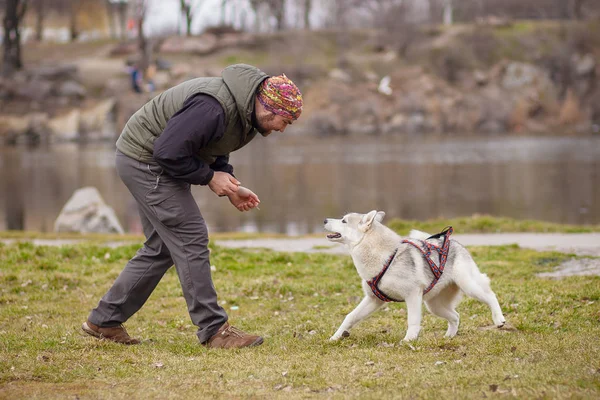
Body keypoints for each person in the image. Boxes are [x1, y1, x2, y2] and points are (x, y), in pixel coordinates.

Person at [82, 64, 303, 349]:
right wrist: (210, 178)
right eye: (285, 121)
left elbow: (215, 144)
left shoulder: (245, 113)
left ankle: (105, 320)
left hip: (154, 158)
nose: (283, 129)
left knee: (161, 246)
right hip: (145, 160)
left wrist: (231, 186)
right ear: (270, 109)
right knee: (190, 236)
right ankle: (215, 331)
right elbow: (167, 152)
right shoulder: (212, 106)